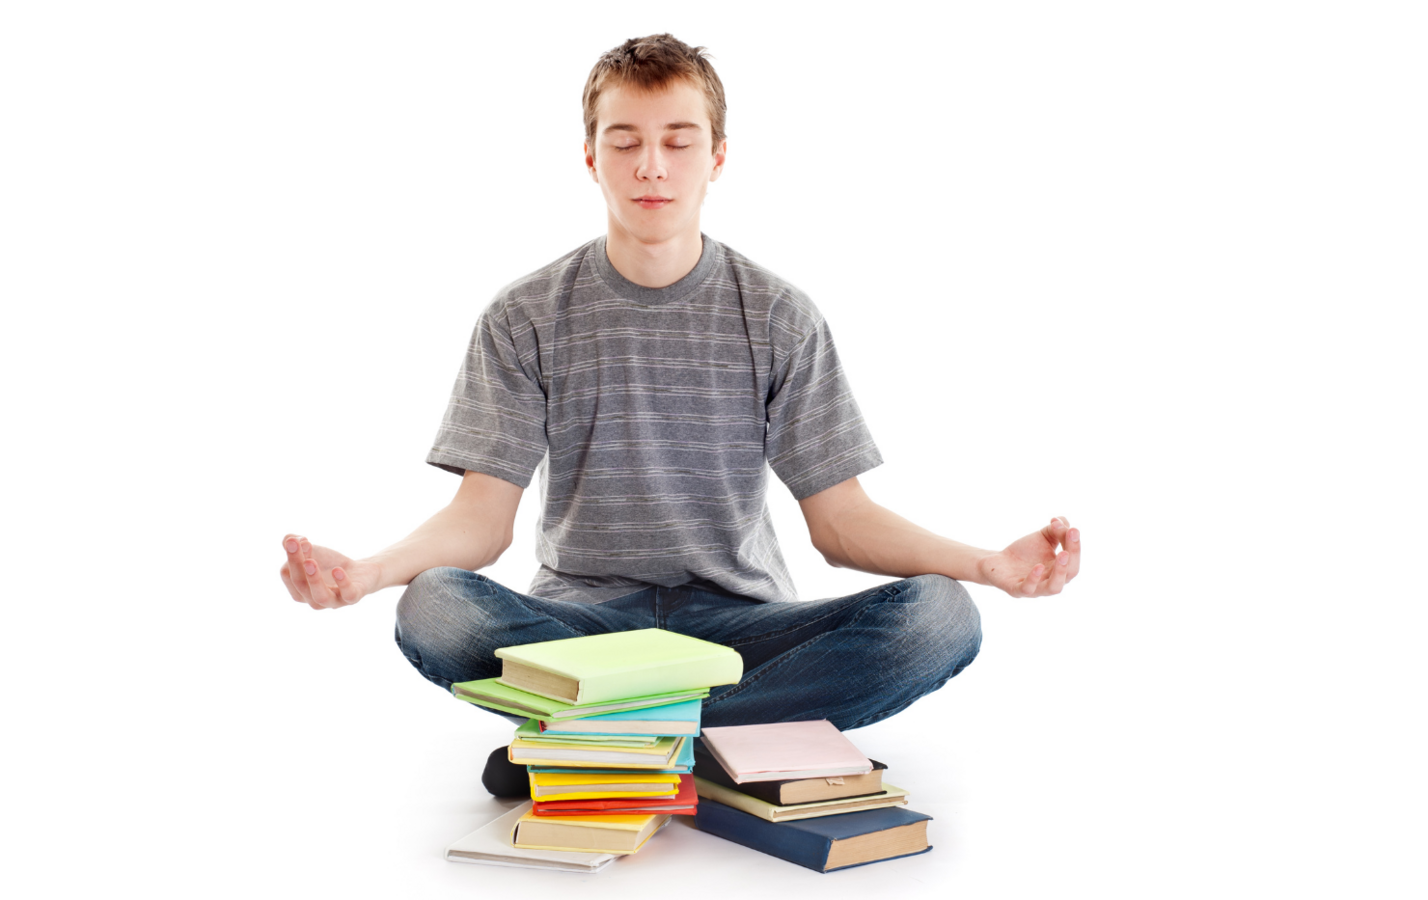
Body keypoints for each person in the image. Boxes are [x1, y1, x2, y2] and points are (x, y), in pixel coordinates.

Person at [279, 34, 1080, 795]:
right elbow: (481, 521)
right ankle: (734, 739)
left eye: (679, 140)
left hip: (740, 628)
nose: (651, 166)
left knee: (940, 615)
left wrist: (988, 566)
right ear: (591, 157)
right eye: (624, 141)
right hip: (584, 629)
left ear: (717, 157)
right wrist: (368, 575)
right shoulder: (522, 316)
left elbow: (840, 523)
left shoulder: (779, 316)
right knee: (434, 605)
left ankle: (604, 743)